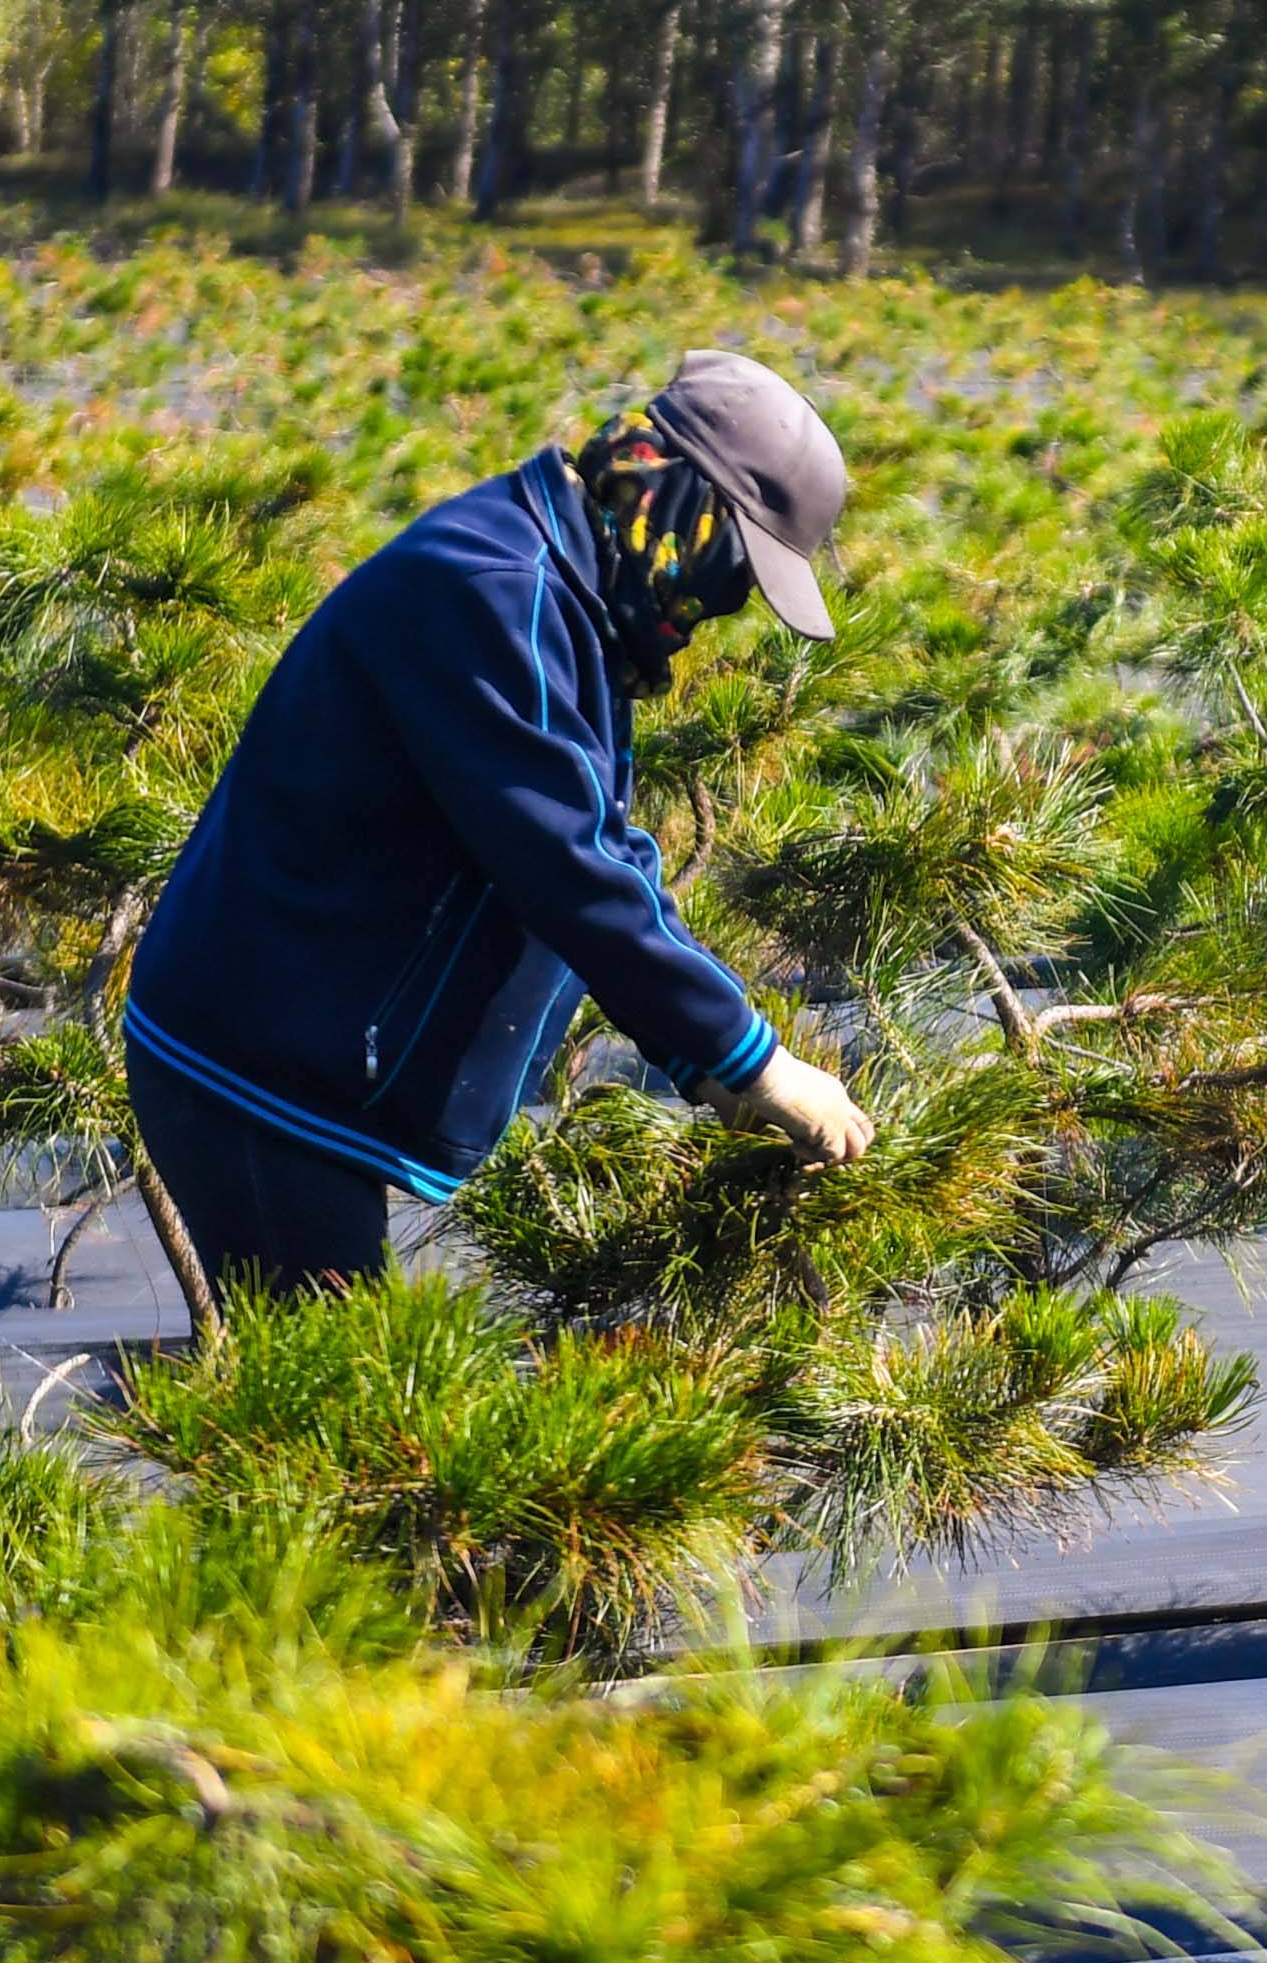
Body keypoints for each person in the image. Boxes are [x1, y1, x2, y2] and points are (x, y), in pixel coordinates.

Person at [123, 348, 877, 1307]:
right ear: (695, 508)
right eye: (735, 575)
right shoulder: (494, 592)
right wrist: (756, 1061)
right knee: (344, 1429)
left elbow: (601, 835)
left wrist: (704, 1063)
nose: (718, 609)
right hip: (257, 1072)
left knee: (344, 1412)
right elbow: (567, 861)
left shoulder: (571, 588)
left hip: (293, 1047)